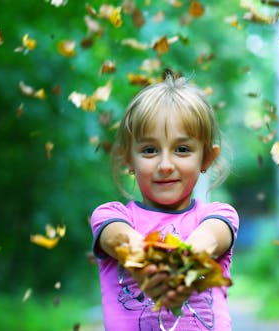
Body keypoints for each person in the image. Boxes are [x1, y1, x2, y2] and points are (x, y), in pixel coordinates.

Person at [89, 72, 239, 331]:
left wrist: (178, 272)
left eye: (182, 149)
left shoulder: (218, 216)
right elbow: (119, 238)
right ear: (128, 159)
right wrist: (142, 261)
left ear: (206, 159)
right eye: (149, 150)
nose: (166, 165)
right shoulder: (111, 216)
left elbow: (209, 240)